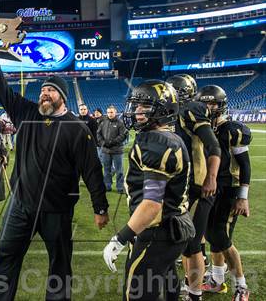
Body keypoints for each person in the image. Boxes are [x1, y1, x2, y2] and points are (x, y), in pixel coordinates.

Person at [0, 56, 109, 300]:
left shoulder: (76, 128)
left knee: (59, 265)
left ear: (62, 96)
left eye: (51, 90)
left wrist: (100, 207)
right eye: (42, 90)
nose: (45, 93)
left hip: (57, 209)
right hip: (21, 205)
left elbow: (92, 170)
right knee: (6, 255)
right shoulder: (26, 113)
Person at [103, 80, 193, 300]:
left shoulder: (157, 141)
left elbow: (152, 205)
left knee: (137, 292)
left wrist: (120, 238)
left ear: (164, 109)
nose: (137, 112)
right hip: (174, 226)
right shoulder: (168, 137)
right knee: (167, 277)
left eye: (144, 107)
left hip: (158, 230)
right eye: (136, 106)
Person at [167, 74, 221, 301]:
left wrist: (211, 177)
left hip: (198, 186)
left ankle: (195, 294)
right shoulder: (174, 113)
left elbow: (213, 146)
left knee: (192, 244)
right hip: (182, 186)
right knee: (186, 243)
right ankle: (191, 286)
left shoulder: (191, 109)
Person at [197, 86, 251, 300]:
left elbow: (245, 166)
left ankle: (242, 286)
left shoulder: (231, 129)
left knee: (221, 236)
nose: (208, 108)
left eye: (212, 104)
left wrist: (242, 197)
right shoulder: (203, 128)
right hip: (211, 189)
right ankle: (218, 281)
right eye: (204, 104)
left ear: (221, 105)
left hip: (229, 190)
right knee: (211, 235)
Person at [97, 105, 128, 193]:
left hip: (117, 150)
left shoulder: (120, 123)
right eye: (108, 112)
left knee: (119, 171)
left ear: (115, 112)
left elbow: (123, 135)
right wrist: (103, 143)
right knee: (107, 170)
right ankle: (107, 186)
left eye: (111, 112)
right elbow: (98, 134)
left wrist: (112, 142)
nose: (110, 114)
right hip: (105, 151)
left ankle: (120, 188)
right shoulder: (103, 122)